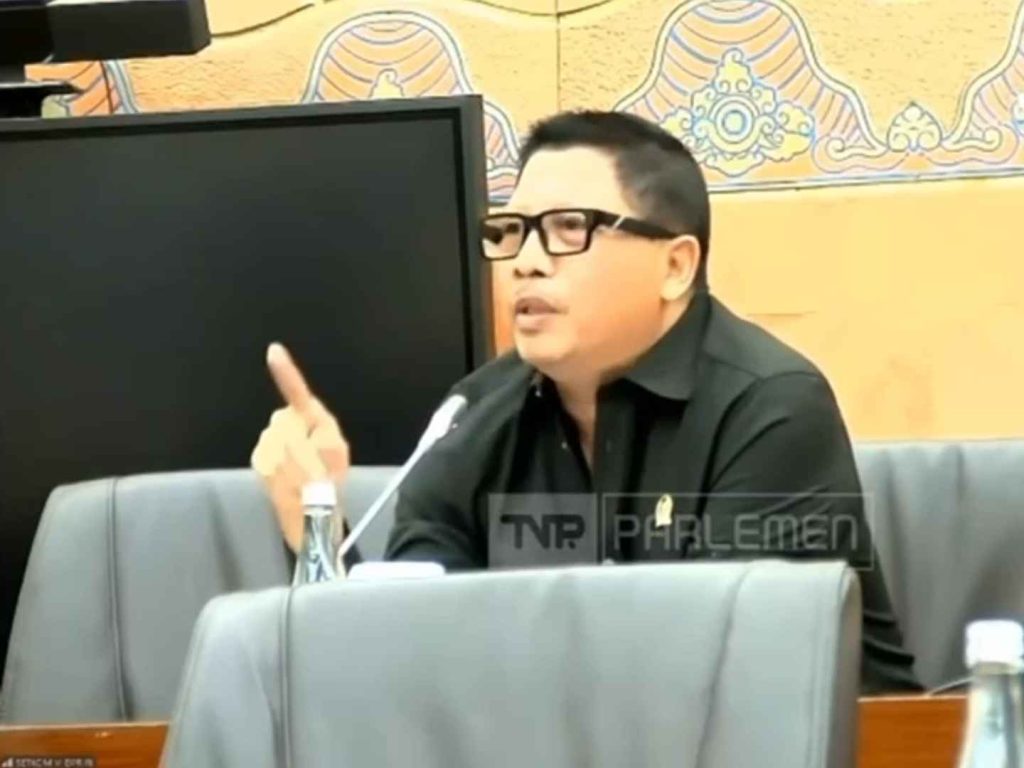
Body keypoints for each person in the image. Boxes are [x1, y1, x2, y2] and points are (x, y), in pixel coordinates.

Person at [250, 110, 920, 693]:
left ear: (676, 266)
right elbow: (412, 666)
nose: (526, 261)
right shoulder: (473, 416)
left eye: (569, 228)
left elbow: (727, 673)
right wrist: (319, 529)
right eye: (513, 231)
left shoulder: (769, 409)